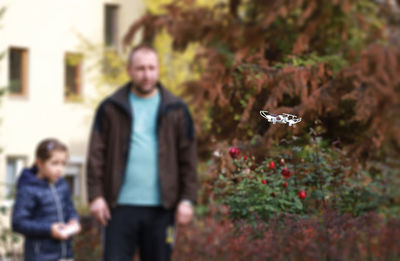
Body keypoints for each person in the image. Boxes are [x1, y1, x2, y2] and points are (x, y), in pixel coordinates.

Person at [86, 44, 198, 261]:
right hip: (117, 208)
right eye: (140, 69)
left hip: (162, 209)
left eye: (151, 68)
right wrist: (96, 195)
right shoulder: (110, 108)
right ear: (129, 70)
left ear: (158, 70)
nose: (147, 75)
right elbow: (95, 156)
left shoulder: (176, 109)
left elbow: (188, 159)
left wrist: (187, 199)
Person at [12, 138, 81, 261]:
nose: (60, 168)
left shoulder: (63, 185)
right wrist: (50, 229)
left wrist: (74, 220)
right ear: (39, 163)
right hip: (40, 256)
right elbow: (18, 223)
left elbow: (70, 209)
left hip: (65, 254)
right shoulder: (28, 189)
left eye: (63, 163)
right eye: (55, 163)